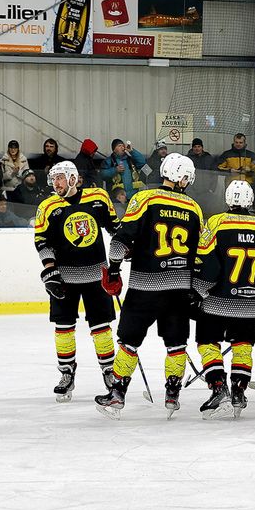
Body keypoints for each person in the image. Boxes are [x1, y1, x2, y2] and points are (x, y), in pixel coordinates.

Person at [95, 153, 203, 418]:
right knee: (176, 343)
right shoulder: (194, 208)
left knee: (129, 342)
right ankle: (172, 394)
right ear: (182, 178)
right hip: (179, 288)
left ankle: (117, 393)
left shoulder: (145, 198)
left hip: (145, 286)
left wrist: (113, 270)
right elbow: (200, 255)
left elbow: (120, 241)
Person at [34, 161, 121, 401]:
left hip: (97, 275)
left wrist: (122, 254)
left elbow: (115, 228)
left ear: (73, 178)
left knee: (101, 327)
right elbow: (42, 241)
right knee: (63, 328)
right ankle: (67, 373)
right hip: (64, 277)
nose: (56, 183)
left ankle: (109, 372)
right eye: (54, 179)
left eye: (60, 178)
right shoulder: (48, 207)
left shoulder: (98, 197)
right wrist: (50, 270)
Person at [192, 180, 255, 419]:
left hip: (216, 301)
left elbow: (208, 263)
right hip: (249, 302)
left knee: (208, 343)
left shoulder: (216, 222)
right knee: (243, 345)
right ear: (250, 200)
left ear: (228, 199)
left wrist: (197, 291)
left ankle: (218, 387)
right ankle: (239, 391)